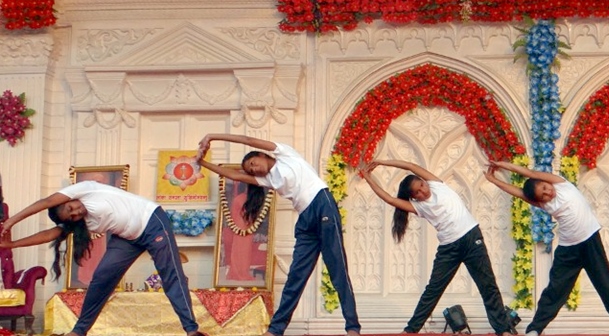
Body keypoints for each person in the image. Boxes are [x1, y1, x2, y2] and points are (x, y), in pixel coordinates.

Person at [196, 134, 360, 336]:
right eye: (250, 170)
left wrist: (212, 136)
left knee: (337, 269)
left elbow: (248, 140)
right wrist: (202, 163)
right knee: (295, 277)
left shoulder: (285, 154)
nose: (254, 169)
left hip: (322, 204)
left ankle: (352, 327)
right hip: (305, 219)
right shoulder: (267, 180)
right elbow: (234, 176)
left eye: (253, 163)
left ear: (263, 155)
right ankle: (276, 330)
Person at [0, 181, 207, 336]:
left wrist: (11, 221)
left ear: (68, 199)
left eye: (71, 208)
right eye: (72, 217)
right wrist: (13, 244)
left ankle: (191, 329)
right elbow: (51, 234)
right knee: (101, 278)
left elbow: (46, 202)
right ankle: (78, 331)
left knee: (170, 274)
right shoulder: (83, 222)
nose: (76, 212)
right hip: (127, 238)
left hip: (152, 221)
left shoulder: (85, 189)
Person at [359, 160, 514, 336]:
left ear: (424, 181)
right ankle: (411, 330)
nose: (423, 191)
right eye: (417, 192)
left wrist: (381, 162)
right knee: (433, 290)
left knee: (488, 285)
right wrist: (368, 178)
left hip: (471, 239)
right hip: (449, 248)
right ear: (413, 198)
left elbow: (411, 166)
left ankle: (503, 330)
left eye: (422, 185)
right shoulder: (418, 207)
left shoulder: (437, 185)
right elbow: (389, 198)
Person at [484, 160, 609, 336]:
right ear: (538, 201)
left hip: (590, 243)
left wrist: (502, 165)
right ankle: (535, 328)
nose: (547, 193)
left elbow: (530, 173)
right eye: (543, 195)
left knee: (607, 286)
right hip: (568, 249)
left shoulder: (561, 184)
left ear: (547, 182)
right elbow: (518, 192)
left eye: (545, 187)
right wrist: (493, 180)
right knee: (555, 290)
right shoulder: (544, 204)